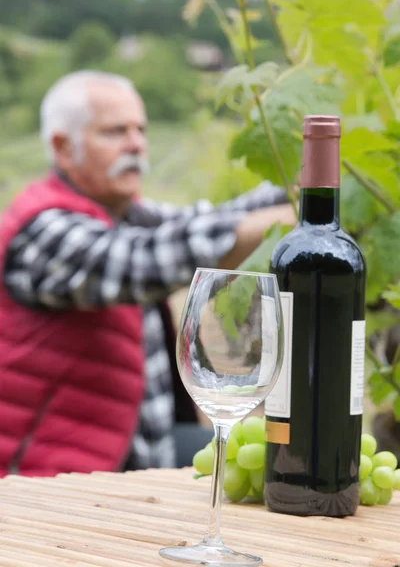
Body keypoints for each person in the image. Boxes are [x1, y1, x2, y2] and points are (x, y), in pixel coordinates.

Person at [0, 71, 295, 477]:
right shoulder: (42, 229)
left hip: (138, 453)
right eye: (115, 131)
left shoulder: (126, 215)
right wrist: (288, 220)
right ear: (63, 148)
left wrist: (312, 190)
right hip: (52, 482)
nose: (136, 143)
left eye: (140, 129)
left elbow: (212, 218)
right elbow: (143, 261)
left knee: (282, 457)